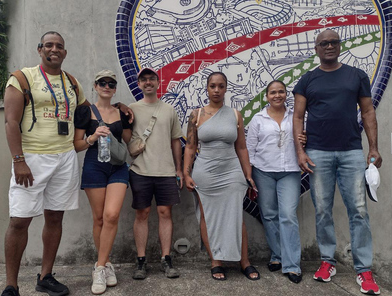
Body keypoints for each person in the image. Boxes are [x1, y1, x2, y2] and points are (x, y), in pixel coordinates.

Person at [293, 29, 382, 295]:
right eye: (323, 43)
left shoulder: (356, 76)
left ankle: (364, 269)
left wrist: (374, 148)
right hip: (317, 153)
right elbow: (298, 118)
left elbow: (367, 111)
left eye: (333, 42)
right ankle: (327, 262)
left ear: (339, 45)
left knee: (359, 210)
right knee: (322, 209)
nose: (329, 46)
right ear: (316, 48)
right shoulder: (307, 80)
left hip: (351, 152)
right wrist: (300, 151)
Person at [2, 31, 89, 296]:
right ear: (40, 49)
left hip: (64, 158)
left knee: (55, 217)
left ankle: (46, 276)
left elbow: (86, 112)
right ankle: (11, 286)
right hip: (31, 159)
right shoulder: (22, 78)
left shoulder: (72, 82)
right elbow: (10, 122)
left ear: (65, 52)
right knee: (20, 221)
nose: (54, 49)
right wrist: (19, 160)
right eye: (49, 45)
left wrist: (120, 106)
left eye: (59, 46)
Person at [183, 71, 260, 281]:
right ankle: (216, 261)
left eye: (221, 86)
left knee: (236, 215)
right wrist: (186, 172)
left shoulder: (235, 114)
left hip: (231, 170)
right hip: (205, 172)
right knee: (208, 215)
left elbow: (242, 147)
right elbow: (190, 147)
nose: (216, 90)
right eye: (212, 86)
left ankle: (244, 261)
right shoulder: (196, 115)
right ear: (207, 88)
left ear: (226, 88)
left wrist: (248, 174)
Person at [74, 70, 132, 294]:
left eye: (111, 83)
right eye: (102, 83)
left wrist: (126, 114)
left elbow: (127, 140)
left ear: (115, 88)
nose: (106, 86)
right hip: (94, 165)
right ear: (95, 86)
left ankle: (99, 267)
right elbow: (77, 144)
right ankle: (105, 265)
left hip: (117, 166)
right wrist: (93, 137)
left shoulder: (121, 112)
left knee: (111, 215)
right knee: (98, 218)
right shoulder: (85, 112)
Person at [128, 67, 183, 280]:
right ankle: (141, 260)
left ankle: (166, 258)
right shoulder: (131, 109)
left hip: (166, 171)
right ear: (139, 84)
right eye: (144, 80)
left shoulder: (169, 110)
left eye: (152, 79)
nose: (148, 82)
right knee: (141, 214)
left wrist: (178, 168)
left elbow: (175, 140)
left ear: (158, 83)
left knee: (165, 213)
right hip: (140, 171)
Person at [246, 80, 303, 284]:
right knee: (269, 215)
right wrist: (249, 175)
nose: (277, 95)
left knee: (288, 215)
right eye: (272, 92)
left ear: (286, 94)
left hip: (290, 171)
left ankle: (293, 265)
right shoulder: (258, 119)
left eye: (281, 92)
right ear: (266, 96)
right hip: (264, 171)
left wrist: (305, 139)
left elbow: (306, 138)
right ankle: (277, 256)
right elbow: (250, 148)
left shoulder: (296, 117)